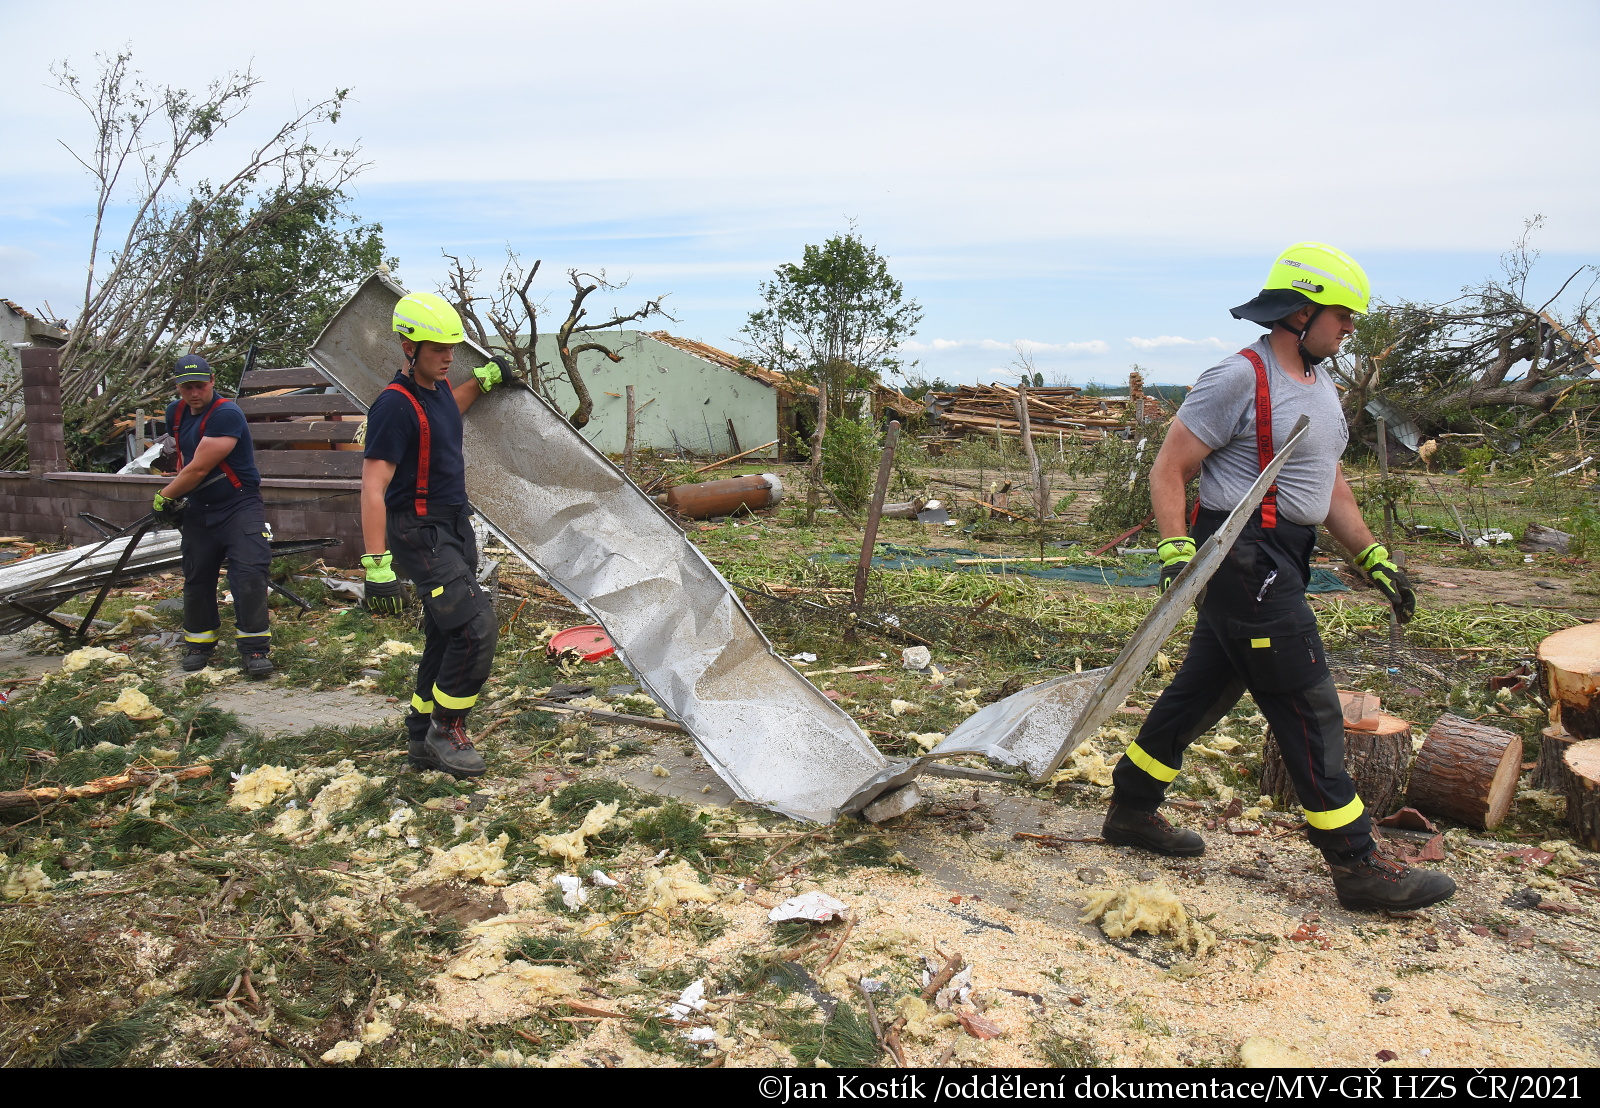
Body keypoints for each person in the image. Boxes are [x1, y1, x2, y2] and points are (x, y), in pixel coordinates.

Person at [1101, 242, 1454, 913]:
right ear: (1299, 311)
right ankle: (1357, 864)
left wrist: (1371, 555)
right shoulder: (1238, 378)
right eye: (1342, 314)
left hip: (1284, 553)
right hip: (1239, 553)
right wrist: (1177, 547)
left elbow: (1331, 486)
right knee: (1305, 699)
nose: (1350, 328)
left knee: (1204, 688)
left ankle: (1132, 805)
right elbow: (1169, 469)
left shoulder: (1323, 390)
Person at [359, 292, 507, 778]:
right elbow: (373, 486)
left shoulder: (440, 388)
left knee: (447, 632)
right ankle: (448, 729)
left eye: (452, 349)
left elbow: (449, 409)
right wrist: (376, 565)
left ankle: (421, 735)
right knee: (475, 628)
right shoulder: (392, 407)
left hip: (452, 524)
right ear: (408, 346)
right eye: (437, 349)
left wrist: (481, 382)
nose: (448, 358)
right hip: (418, 530)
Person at [153, 354, 274, 678]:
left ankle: (255, 650)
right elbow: (184, 458)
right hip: (199, 505)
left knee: (248, 574)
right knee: (197, 576)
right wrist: (178, 501)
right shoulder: (174, 413)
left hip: (239, 503)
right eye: (187, 387)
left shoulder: (226, 414)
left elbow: (200, 467)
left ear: (213, 381)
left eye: (200, 385)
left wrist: (164, 497)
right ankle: (199, 643)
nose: (194, 393)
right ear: (178, 388)